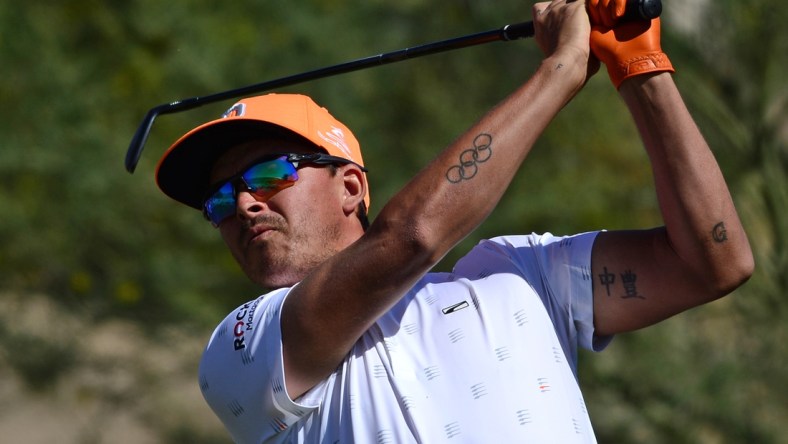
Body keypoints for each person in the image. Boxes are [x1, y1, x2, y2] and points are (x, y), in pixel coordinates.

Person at [153, 0, 753, 442]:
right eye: (220, 203)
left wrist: (641, 66)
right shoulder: (241, 348)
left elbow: (714, 262)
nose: (244, 205)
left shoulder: (521, 272)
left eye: (264, 177)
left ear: (351, 186)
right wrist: (561, 71)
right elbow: (412, 239)